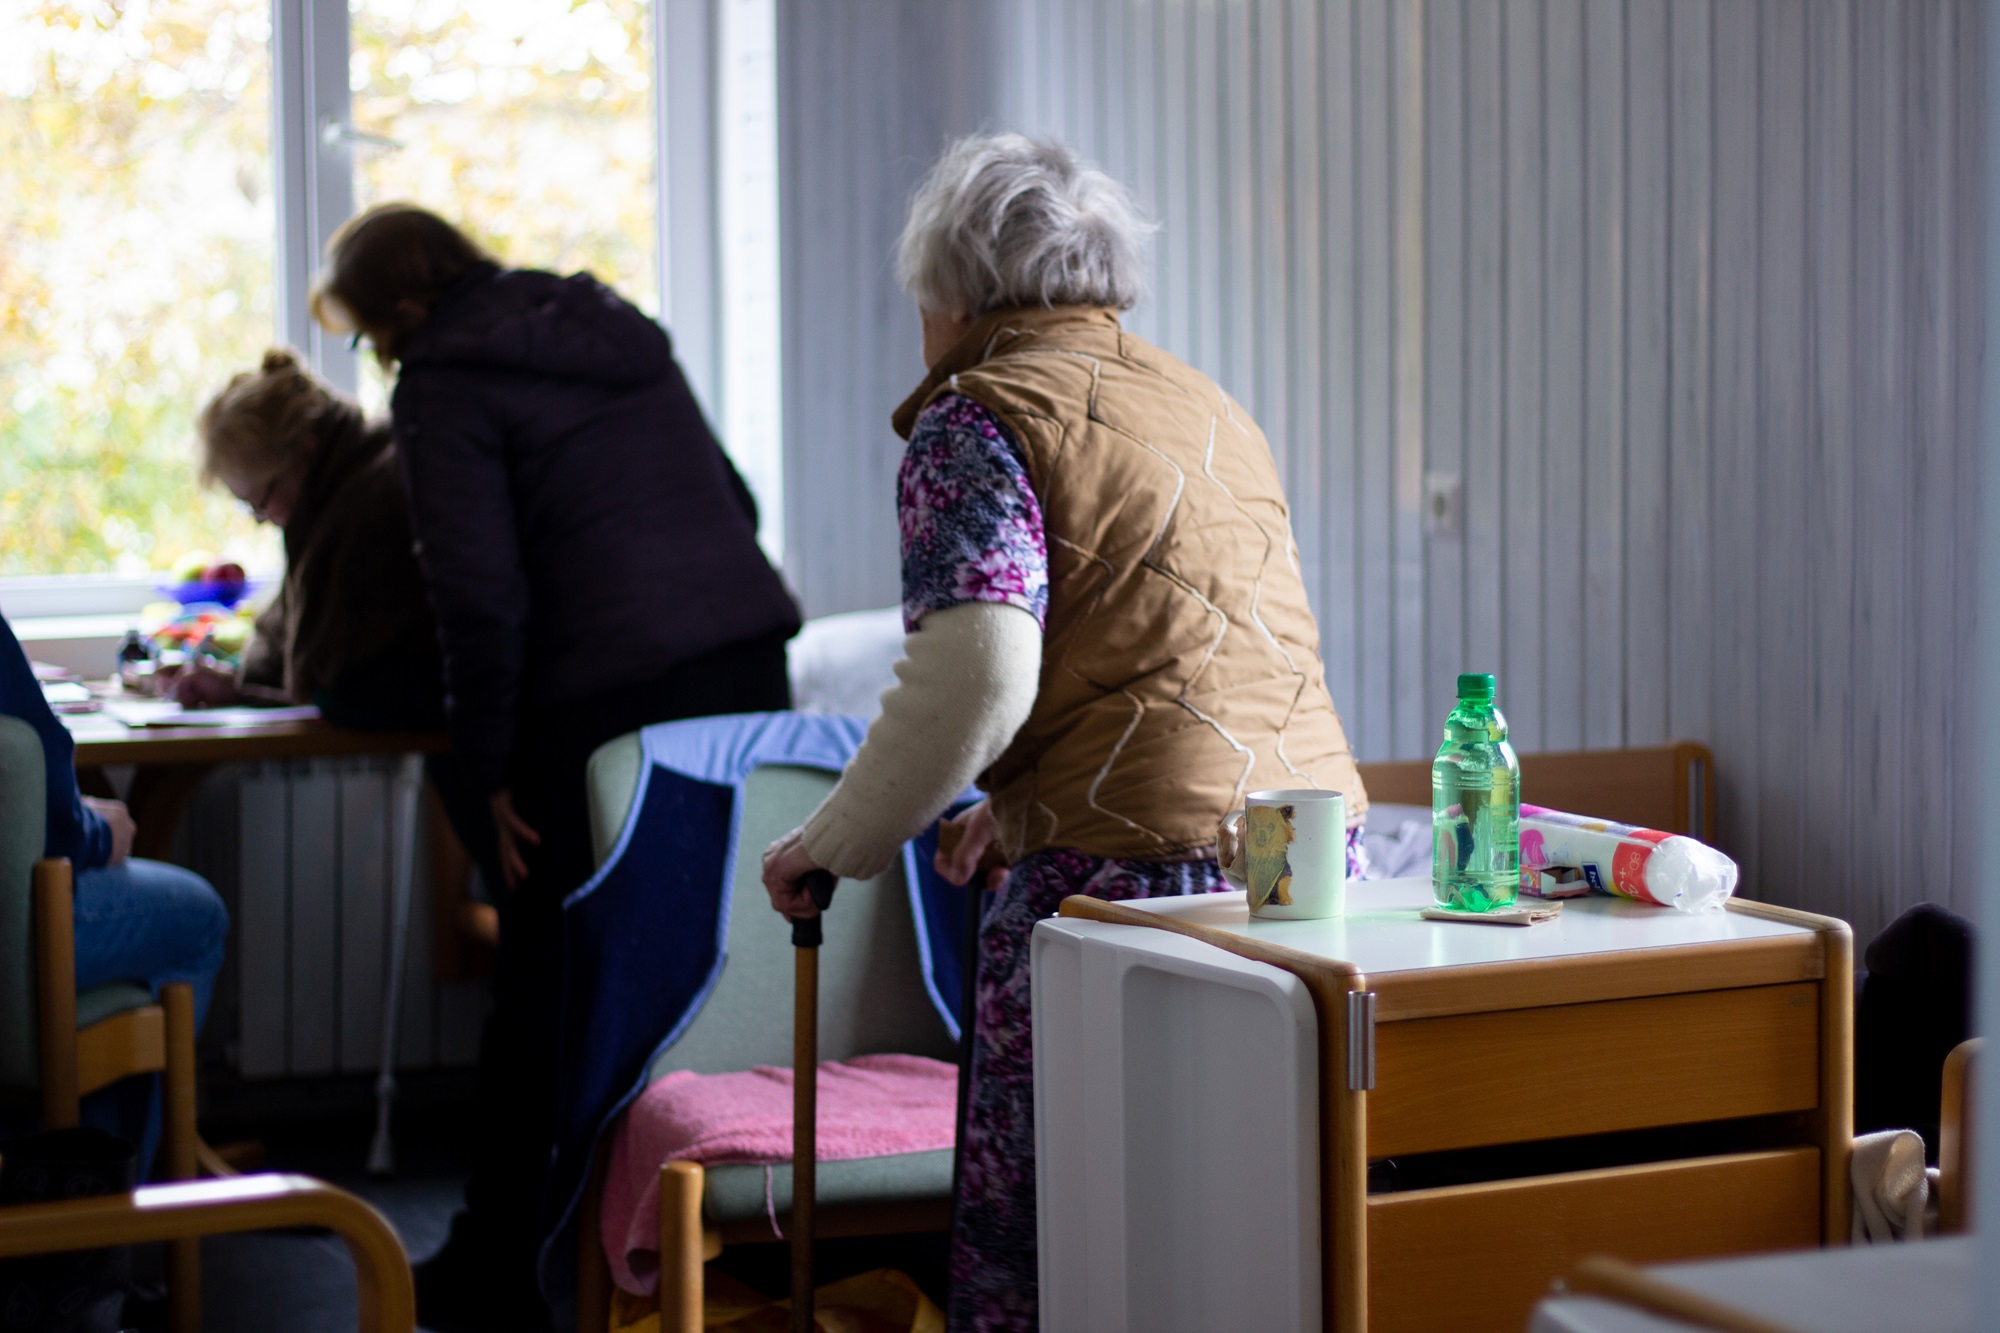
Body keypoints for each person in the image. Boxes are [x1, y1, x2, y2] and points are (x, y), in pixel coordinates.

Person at [759, 134, 1370, 1332]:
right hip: (1305, 863)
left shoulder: (977, 415)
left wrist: (832, 840)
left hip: (1118, 888)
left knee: (1068, 1235)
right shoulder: (1203, 402)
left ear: (951, 293)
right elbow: (1171, 647)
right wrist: (1015, 801)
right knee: (1250, 1231)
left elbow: (973, 673)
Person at [309, 204, 802, 1332]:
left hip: (603, 697)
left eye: (370, 337)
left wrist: (485, 767)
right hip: (741, 663)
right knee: (710, 962)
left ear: (397, 311)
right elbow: (736, 503)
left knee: (547, 971)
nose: (378, 360)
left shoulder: (440, 378)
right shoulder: (610, 326)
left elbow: (479, 598)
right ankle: (717, 1240)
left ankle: (499, 1264)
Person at [182, 349, 502, 893]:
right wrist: (234, 685)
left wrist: (240, 693)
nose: (264, 520)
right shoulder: (333, 495)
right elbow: (294, 636)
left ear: (304, 452)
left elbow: (335, 685)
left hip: (478, 744)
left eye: (262, 500)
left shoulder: (369, 504)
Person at [0, 613, 228, 1177]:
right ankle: (111, 1212)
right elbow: (47, 802)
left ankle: (66, 1187)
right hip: (15, 944)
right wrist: (100, 832)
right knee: (196, 915)